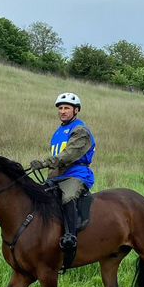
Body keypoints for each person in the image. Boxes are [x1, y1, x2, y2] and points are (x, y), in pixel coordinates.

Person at [30, 92, 96, 251]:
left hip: (76, 175)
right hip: (57, 177)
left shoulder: (80, 130)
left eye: (67, 108)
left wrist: (46, 162)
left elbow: (69, 154)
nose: (62, 111)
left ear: (76, 110)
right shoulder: (59, 132)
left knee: (68, 196)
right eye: (60, 108)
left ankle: (70, 236)